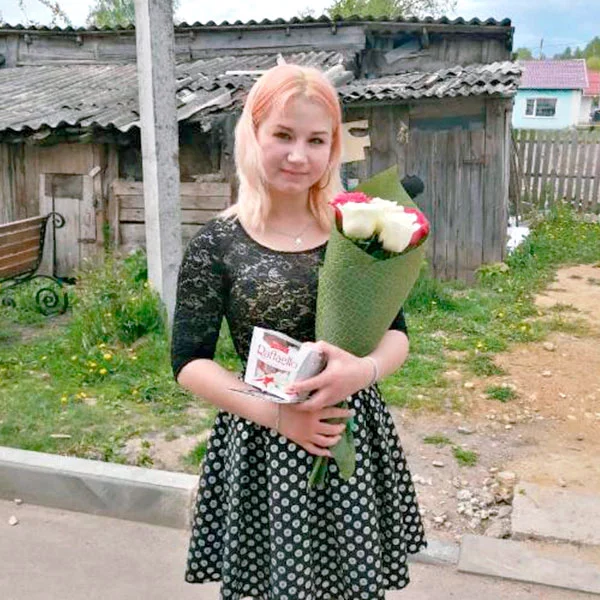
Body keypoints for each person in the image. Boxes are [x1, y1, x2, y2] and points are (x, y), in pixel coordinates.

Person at [171, 63, 426, 600]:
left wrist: (364, 370)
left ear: (333, 147)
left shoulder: (354, 228)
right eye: (283, 135)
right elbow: (189, 361)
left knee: (351, 579)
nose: (298, 155)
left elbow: (396, 333)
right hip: (264, 440)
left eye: (316, 140)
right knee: (274, 582)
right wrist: (280, 416)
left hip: (348, 431)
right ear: (253, 135)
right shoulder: (217, 243)